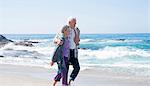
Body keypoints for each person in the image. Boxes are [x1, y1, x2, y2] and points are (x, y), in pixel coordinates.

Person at [53, 17, 80, 85]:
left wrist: (77, 36)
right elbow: (55, 39)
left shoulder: (77, 30)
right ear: (69, 22)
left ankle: (70, 81)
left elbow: (77, 41)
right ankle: (54, 83)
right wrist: (58, 41)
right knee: (63, 71)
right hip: (65, 54)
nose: (76, 23)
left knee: (77, 67)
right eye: (74, 22)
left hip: (73, 53)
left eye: (76, 22)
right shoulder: (65, 29)